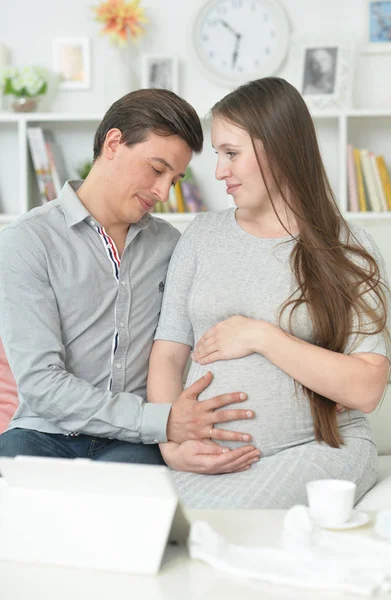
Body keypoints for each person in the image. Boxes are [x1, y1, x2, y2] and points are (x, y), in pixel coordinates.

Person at [147, 77, 391, 509]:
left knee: (219, 522)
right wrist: (171, 439)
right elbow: (168, 353)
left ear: (279, 147)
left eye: (232, 154)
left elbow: (367, 387)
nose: (220, 171)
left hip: (317, 451)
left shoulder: (347, 248)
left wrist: (262, 336)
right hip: (205, 460)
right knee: (144, 523)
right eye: (219, 155)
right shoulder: (201, 237)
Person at [0, 88, 259, 473]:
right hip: (42, 433)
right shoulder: (27, 240)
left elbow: (231, 310)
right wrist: (162, 421)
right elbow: (41, 384)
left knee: (126, 508)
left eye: (173, 179)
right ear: (114, 143)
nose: (162, 192)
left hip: (131, 444)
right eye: (157, 170)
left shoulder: (172, 246)